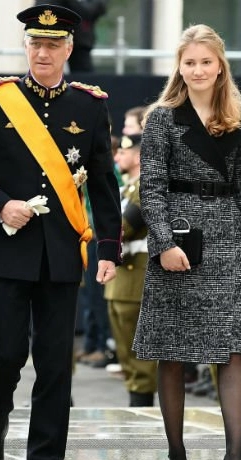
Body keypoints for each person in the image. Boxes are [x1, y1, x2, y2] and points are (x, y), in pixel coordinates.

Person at [0, 4, 121, 460]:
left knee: (54, 364)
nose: (43, 52)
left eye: (53, 45)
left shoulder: (89, 105)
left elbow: (104, 182)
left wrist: (108, 246)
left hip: (62, 253)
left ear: (69, 48)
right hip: (4, 251)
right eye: (35, 44)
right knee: (4, 355)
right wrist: (0, 205)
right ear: (26, 47)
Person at [132, 24, 241, 460]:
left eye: (206, 61)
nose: (198, 69)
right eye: (190, 62)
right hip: (182, 240)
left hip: (229, 236)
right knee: (173, 353)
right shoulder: (162, 118)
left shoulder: (240, 115)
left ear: (220, 64)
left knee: (233, 351)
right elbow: (150, 188)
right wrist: (164, 244)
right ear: (179, 66)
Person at [103, 133, 157, 406]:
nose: (117, 158)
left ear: (137, 157)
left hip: (136, 278)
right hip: (121, 279)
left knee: (139, 357)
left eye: (122, 153)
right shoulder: (126, 187)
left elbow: (125, 227)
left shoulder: (145, 187)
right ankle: (137, 400)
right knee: (127, 354)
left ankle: (142, 406)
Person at [35, 0, 108, 72]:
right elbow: (42, 10)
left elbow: (91, 10)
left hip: (79, 41)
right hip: (49, 34)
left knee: (82, 76)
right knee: (45, 71)